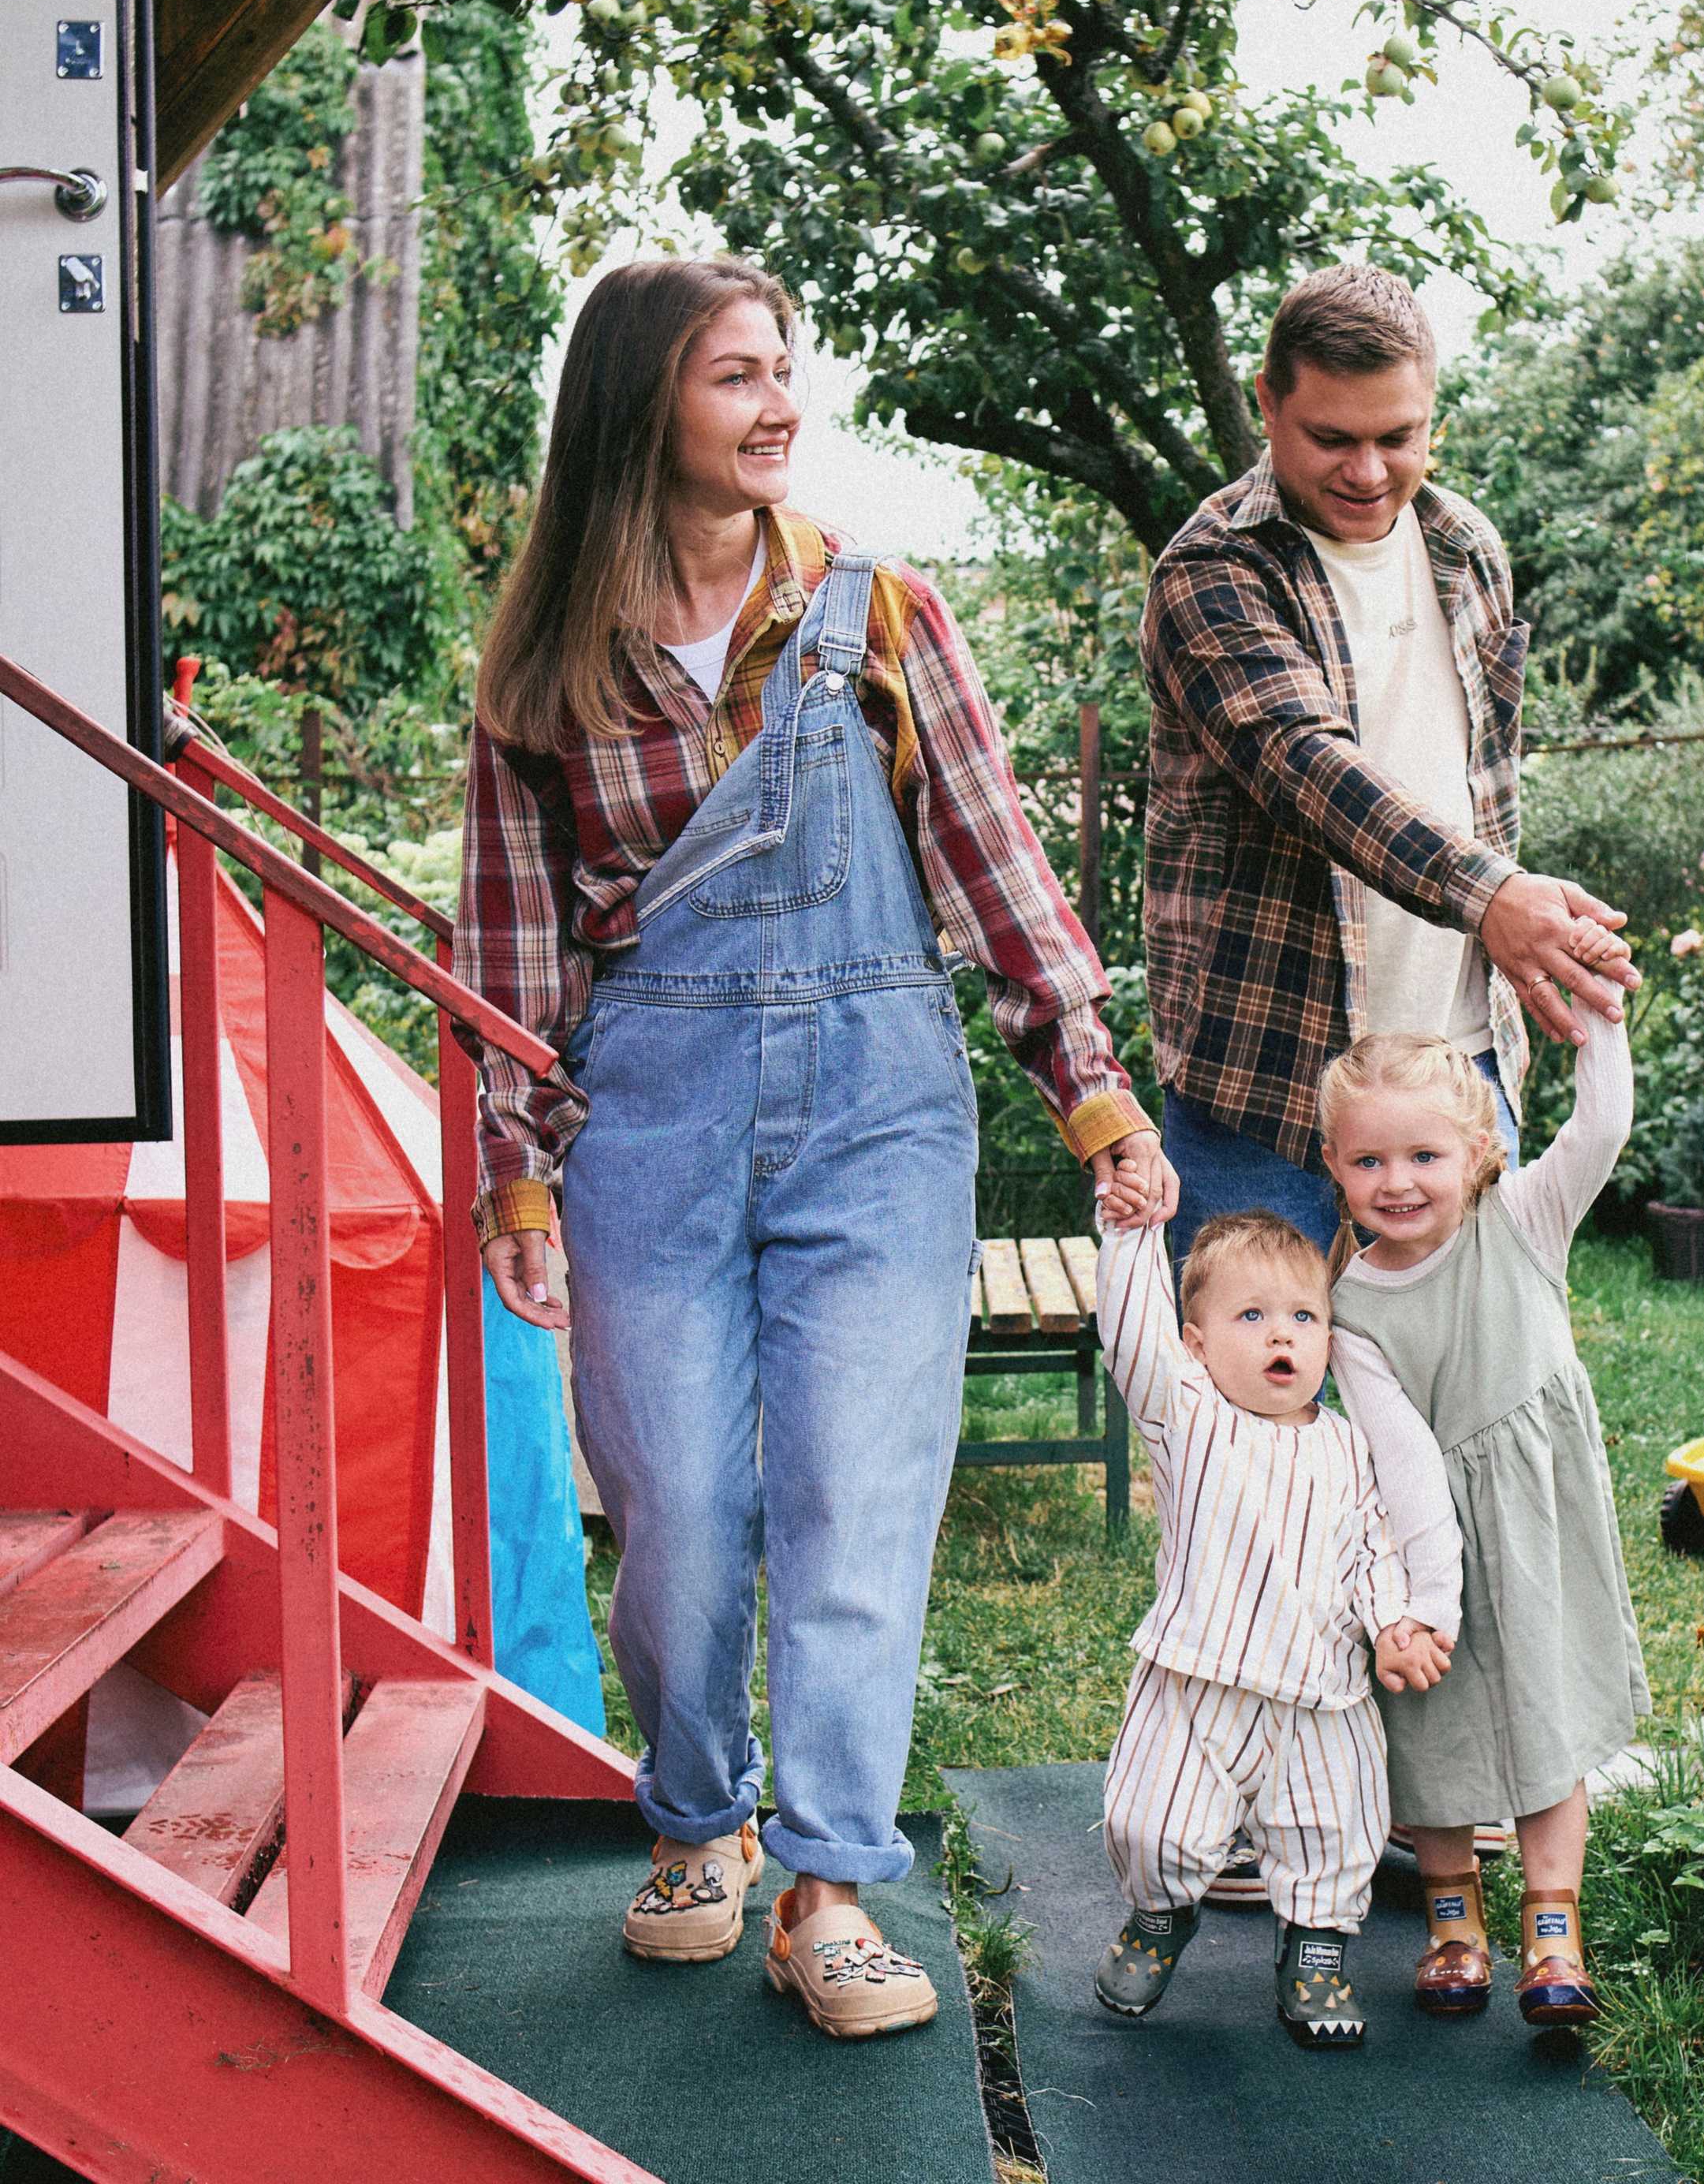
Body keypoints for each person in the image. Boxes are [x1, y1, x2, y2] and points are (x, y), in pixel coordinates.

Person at [456, 256, 1176, 2043]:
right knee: (684, 1510)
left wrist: (1084, 1087)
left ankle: (830, 1886)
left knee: (861, 1501)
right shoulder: (550, 655)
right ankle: (696, 1819)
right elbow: (510, 942)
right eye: (732, 377)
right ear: (643, 408)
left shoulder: (878, 616)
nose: (777, 404)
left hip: (878, 1114)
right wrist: (517, 1161)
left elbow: (995, 867)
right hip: (649, 1117)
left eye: (784, 371)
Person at [1141, 261, 1639, 1266]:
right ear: (1267, 404)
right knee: (1252, 1415)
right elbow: (1307, 768)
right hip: (1265, 1087)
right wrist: (1494, 896)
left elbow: (1480, 788)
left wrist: (1524, 934)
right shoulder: (1212, 569)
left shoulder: (1467, 549)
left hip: (1458, 1076)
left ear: (1432, 418)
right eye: (1332, 438)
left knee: (1470, 1404)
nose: (1367, 471)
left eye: (1395, 437)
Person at [1323, 1011, 1649, 2027]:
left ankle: (1553, 1929)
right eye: (1368, 1158)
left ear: (1476, 1150)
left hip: (1539, 1524)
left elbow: (1601, 1127)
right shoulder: (1350, 1305)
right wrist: (1425, 1600)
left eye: (1424, 1152)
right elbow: (1406, 1459)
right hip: (1432, 1543)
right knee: (1435, 1724)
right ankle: (1453, 1921)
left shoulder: (1524, 1219)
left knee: (1545, 1714)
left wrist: (1600, 1019)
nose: (1398, 1179)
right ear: (1333, 1164)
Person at [1090, 1202, 1452, 2048]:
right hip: (1196, 1676)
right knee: (1153, 1820)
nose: (1278, 1334)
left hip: (1322, 1696)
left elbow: (1373, 1546)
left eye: (1302, 1315)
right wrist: (1131, 1233)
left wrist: (1394, 1620)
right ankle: (1159, 1915)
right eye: (1249, 1316)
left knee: (1335, 1826)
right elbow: (1132, 1333)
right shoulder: (1187, 1419)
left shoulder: (1349, 1447)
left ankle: (1315, 1951)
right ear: (1196, 1343)